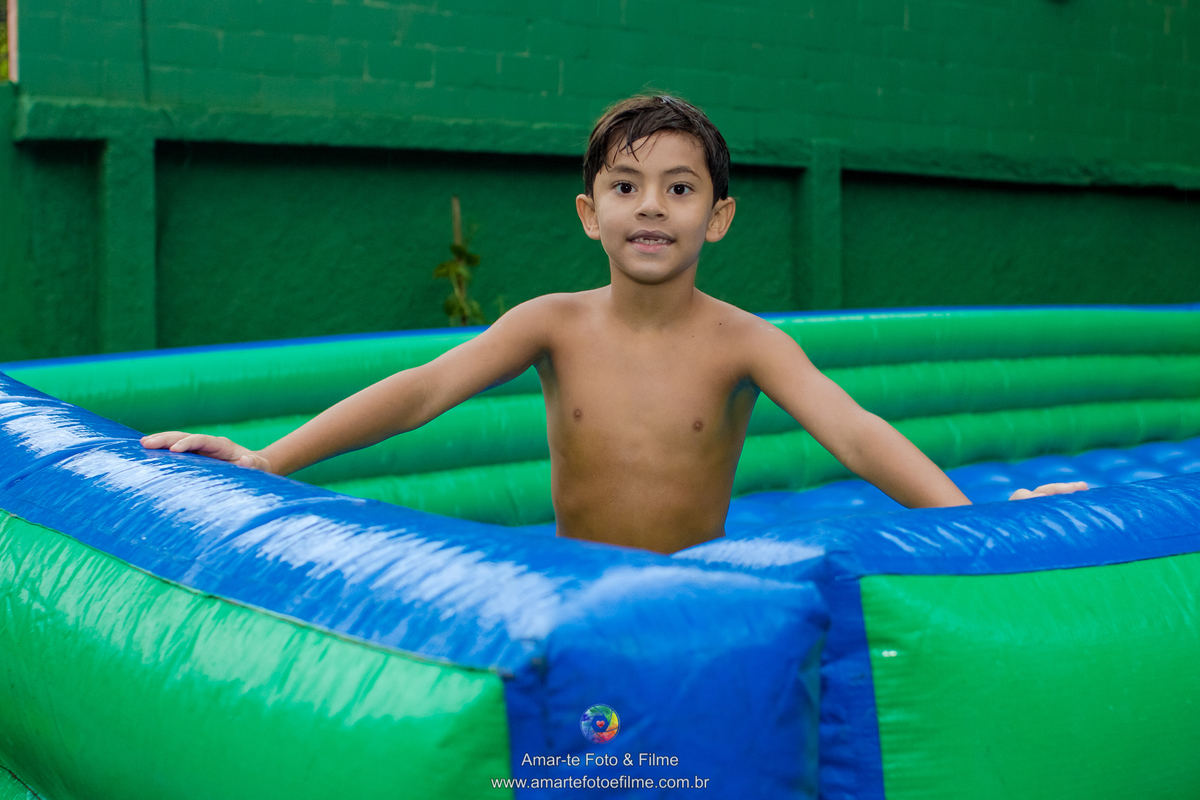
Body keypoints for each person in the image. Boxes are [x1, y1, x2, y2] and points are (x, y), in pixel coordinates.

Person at [142, 94, 1085, 554]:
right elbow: (423, 391)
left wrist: (974, 531)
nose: (652, 208)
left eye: (680, 189)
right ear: (590, 212)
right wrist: (269, 461)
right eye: (627, 187)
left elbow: (854, 432)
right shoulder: (550, 324)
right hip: (572, 587)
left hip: (692, 594)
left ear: (717, 216)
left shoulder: (746, 343)